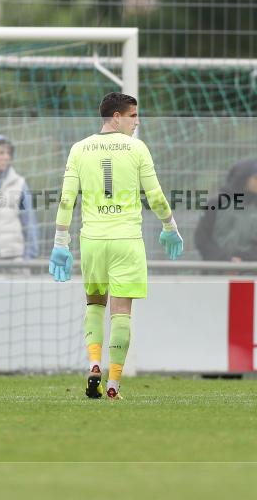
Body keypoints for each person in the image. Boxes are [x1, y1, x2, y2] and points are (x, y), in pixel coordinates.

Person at [49, 92, 182, 401]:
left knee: (95, 305)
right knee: (121, 313)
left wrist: (60, 242)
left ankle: (94, 364)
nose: (137, 122)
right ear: (116, 117)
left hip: (92, 242)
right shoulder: (137, 148)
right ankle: (113, 385)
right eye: (133, 115)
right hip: (126, 242)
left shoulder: (79, 149)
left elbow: (67, 200)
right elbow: (156, 196)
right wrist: (170, 227)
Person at [195, 159, 257, 264]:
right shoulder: (216, 203)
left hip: (249, 271)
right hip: (216, 270)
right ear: (244, 179)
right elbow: (202, 238)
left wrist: (244, 261)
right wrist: (225, 260)